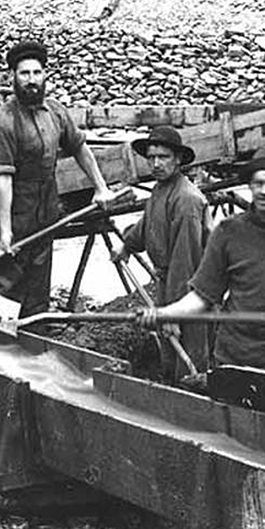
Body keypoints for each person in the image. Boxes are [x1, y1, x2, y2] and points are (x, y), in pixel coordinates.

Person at [143, 145, 265, 377]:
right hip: (236, 355)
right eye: (258, 184)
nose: (264, 192)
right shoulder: (228, 232)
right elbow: (202, 296)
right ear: (249, 185)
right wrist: (165, 313)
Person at [0, 41, 116, 317]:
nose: (31, 80)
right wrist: (6, 231)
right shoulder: (2, 120)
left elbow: (79, 147)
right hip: (14, 208)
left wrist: (101, 187)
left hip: (46, 205)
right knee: (6, 280)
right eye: (24, 74)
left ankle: (35, 337)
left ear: (45, 75)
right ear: (12, 78)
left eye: (36, 73)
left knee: (38, 277)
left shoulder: (55, 111)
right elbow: (2, 179)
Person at [111, 126, 210, 376]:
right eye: (151, 157)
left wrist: (174, 313)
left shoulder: (186, 200)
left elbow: (185, 263)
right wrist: (127, 245)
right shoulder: (160, 189)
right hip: (168, 284)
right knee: (168, 349)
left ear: (177, 160)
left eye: (163, 157)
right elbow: (147, 226)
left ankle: (192, 404)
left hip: (192, 292)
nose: (155, 163)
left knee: (191, 358)